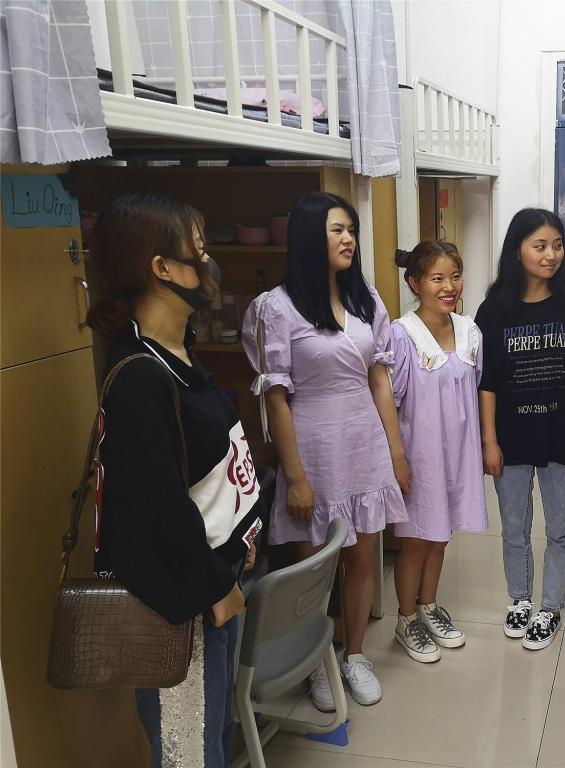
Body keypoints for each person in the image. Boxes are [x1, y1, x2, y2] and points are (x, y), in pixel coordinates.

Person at [88, 193, 262, 767]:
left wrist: (242, 539)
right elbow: (157, 513)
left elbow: (205, 469)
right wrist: (215, 587)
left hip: (215, 583)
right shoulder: (140, 377)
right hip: (187, 603)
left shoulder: (176, 351)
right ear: (161, 267)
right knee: (190, 754)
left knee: (214, 738)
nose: (210, 264)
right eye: (199, 250)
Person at [241, 191, 409, 710]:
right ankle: (315, 661)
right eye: (338, 230)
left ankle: (354, 654)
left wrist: (396, 453)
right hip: (312, 447)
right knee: (313, 569)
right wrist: (294, 477)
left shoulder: (366, 300)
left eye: (351, 230)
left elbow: (379, 380)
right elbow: (276, 397)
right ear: (309, 237)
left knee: (362, 559)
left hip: (364, 441)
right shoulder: (275, 307)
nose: (349, 239)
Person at [475, 208, 565, 651]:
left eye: (557, 245)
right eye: (540, 245)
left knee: (561, 529)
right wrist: (489, 441)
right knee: (514, 527)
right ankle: (520, 599)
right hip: (510, 437)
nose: (551, 255)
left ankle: (549, 607)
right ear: (517, 250)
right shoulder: (493, 310)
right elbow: (487, 382)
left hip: (561, 435)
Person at [389, 241, 487, 662]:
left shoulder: (470, 331)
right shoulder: (401, 335)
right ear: (415, 283)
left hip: (458, 455)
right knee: (416, 540)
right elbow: (388, 403)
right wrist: (397, 458)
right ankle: (406, 617)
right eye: (437, 278)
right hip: (421, 456)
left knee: (441, 537)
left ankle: (428, 605)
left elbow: (474, 391)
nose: (449, 287)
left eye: (455, 277)